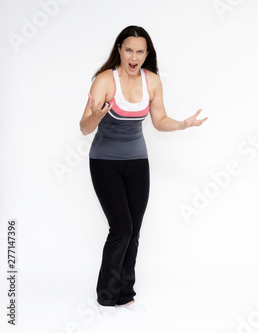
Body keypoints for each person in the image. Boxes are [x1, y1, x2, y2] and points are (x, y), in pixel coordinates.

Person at [79, 25, 207, 318]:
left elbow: (159, 120)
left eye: (140, 51)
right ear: (119, 50)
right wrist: (96, 117)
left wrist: (183, 124)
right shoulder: (105, 80)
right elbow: (83, 127)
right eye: (128, 50)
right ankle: (105, 297)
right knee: (121, 228)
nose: (133, 57)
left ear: (147, 54)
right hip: (104, 162)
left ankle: (125, 295)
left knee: (134, 230)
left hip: (138, 162)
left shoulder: (153, 81)